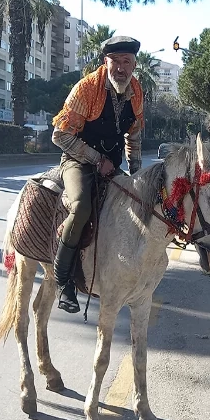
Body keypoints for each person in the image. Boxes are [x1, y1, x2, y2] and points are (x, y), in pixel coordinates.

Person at [50, 36, 144, 313]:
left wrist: (136, 175)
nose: (121, 68)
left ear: (134, 65)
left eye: (126, 62)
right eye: (116, 62)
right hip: (77, 161)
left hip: (111, 166)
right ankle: (63, 281)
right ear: (106, 62)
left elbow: (134, 136)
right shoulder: (87, 88)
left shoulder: (136, 92)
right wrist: (95, 159)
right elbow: (59, 135)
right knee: (81, 208)